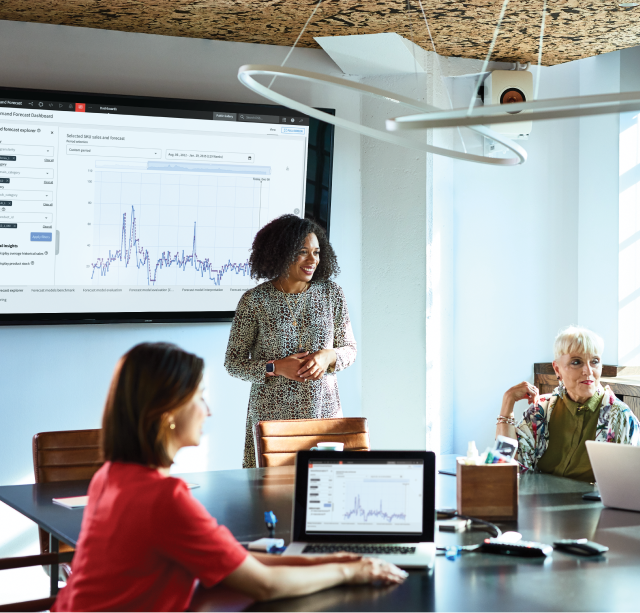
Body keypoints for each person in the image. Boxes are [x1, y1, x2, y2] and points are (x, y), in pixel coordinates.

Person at [52, 343, 405, 613]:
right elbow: (263, 584)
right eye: (200, 398)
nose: (208, 410)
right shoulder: (163, 498)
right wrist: (351, 573)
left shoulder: (112, 476)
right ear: (166, 413)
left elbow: (233, 559)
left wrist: (336, 560)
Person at [225, 214, 356, 468]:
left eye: (317, 252)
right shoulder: (255, 301)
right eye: (303, 252)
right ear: (282, 252)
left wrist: (329, 356)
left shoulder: (332, 294)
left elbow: (350, 350)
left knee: (322, 494)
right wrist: (275, 367)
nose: (312, 260)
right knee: (272, 498)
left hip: (322, 414)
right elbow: (233, 363)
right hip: (272, 422)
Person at [495, 326, 640, 481]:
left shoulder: (620, 417)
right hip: (539, 503)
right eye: (576, 362)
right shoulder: (541, 411)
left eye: (595, 361)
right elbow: (504, 466)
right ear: (557, 369)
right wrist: (508, 403)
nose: (588, 371)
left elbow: (637, 482)